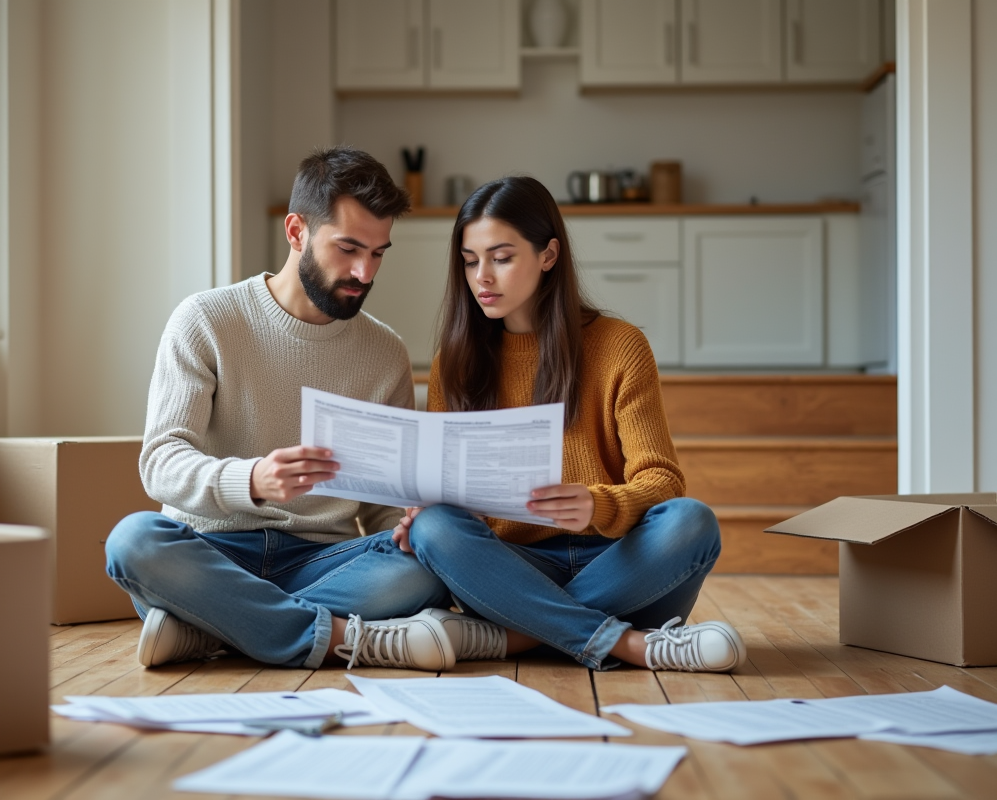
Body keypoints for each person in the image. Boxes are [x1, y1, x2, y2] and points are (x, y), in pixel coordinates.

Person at [105, 146, 458, 672]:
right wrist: (252, 480)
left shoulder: (385, 353)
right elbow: (160, 462)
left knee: (426, 566)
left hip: (318, 562)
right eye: (348, 248)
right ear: (296, 232)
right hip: (212, 550)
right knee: (134, 541)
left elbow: (382, 505)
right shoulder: (205, 319)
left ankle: (212, 629)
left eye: (379, 252)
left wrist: (405, 524)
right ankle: (335, 635)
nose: (364, 271)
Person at [392, 176, 747, 673]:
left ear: (548, 255)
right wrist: (426, 508)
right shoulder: (456, 362)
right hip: (514, 570)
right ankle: (628, 644)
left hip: (620, 565)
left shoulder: (620, 346)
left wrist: (599, 504)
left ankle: (515, 638)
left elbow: (662, 482)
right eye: (470, 261)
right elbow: (450, 501)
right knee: (434, 527)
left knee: (692, 522)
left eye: (502, 257)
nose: (482, 278)